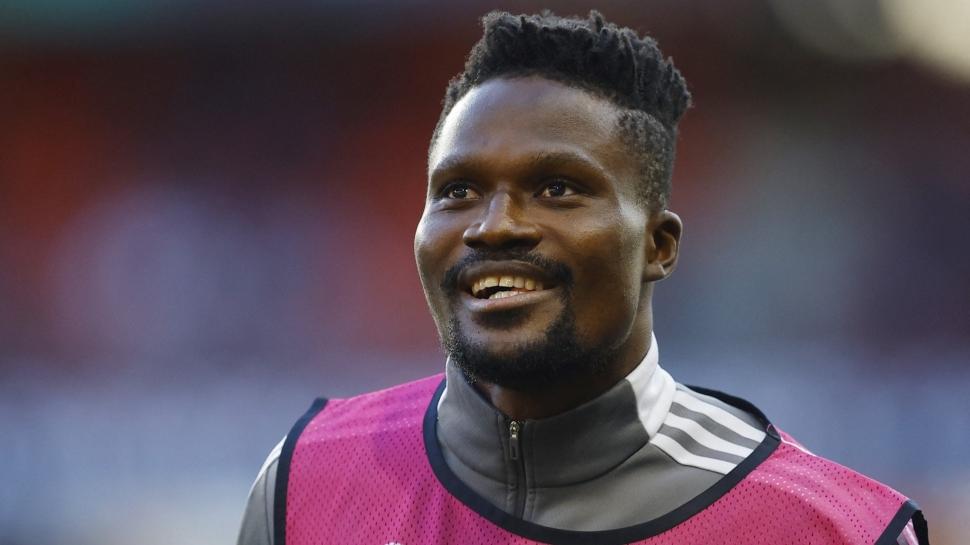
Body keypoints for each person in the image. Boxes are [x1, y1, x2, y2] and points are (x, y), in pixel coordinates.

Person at [237, 11, 928, 545]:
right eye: (458, 191)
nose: (494, 227)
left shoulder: (828, 529)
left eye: (557, 188)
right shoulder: (306, 483)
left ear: (658, 246)